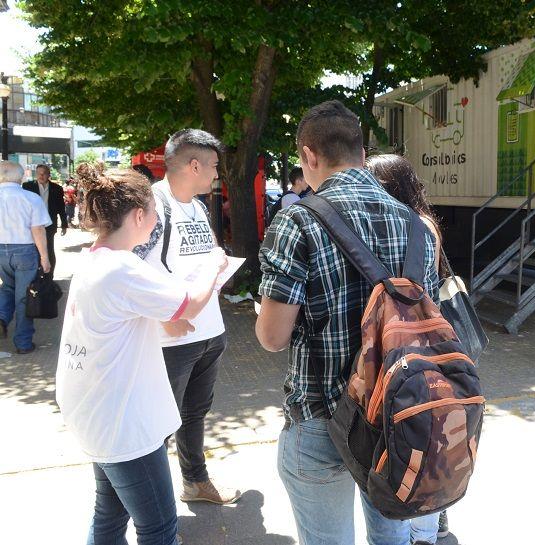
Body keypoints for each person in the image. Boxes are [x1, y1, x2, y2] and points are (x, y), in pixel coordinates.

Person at [256, 101, 439, 545]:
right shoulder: (415, 224)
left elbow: (273, 337)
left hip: (322, 418)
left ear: (309, 155)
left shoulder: (297, 220)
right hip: (398, 414)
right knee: (392, 537)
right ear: (361, 153)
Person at [55, 163, 227, 545]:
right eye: (154, 212)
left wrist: (166, 317)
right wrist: (214, 265)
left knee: (109, 513)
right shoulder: (122, 268)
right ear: (137, 215)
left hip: (96, 412)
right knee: (159, 530)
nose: (157, 221)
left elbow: (137, 310)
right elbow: (190, 303)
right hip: (123, 422)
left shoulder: (97, 258)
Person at [132, 128, 241, 505]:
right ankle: (151, 510)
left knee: (194, 413)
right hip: (172, 339)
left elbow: (202, 255)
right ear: (194, 165)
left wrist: (219, 263)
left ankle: (195, 482)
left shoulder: (197, 206)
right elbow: (129, 268)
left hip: (209, 330)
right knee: (159, 424)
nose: (217, 174)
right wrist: (163, 315)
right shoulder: (152, 206)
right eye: (214, 166)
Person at [365, 154, 448, 543]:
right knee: (430, 432)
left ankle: (424, 530)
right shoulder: (418, 220)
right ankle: (432, 520)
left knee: (420, 430)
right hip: (424, 340)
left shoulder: (416, 225)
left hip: (416, 339)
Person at [0, 161, 52, 354]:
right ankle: (23, 343)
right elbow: (37, 229)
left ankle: (2, 317)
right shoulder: (31, 198)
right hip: (25, 251)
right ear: (21, 177)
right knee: (24, 296)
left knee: (7, 287)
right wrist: (45, 257)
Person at [23, 164, 68, 275]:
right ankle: (37, 276)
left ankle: (49, 277)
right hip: (32, 225)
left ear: (49, 175)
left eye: (44, 174)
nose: (41, 176)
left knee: (49, 250)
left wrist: (64, 224)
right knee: (34, 251)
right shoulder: (27, 186)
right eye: (39, 173)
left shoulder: (57, 188)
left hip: (49, 225)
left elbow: (61, 207)